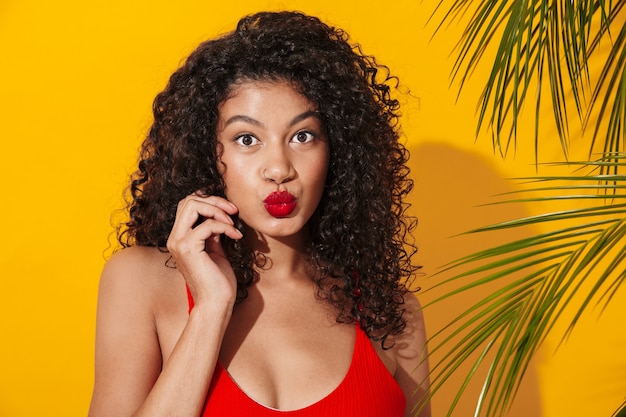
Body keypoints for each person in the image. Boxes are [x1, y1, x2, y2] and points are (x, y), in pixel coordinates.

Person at [88, 10, 430, 417]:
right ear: (208, 155)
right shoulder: (140, 282)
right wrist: (211, 308)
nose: (279, 168)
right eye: (247, 138)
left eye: (303, 136)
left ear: (337, 149)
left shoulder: (388, 311)